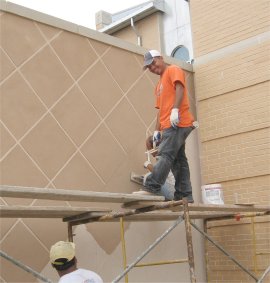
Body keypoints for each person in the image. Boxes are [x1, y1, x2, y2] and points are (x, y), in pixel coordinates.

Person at [134, 49, 195, 203]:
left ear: (161, 58)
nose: (153, 68)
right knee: (178, 160)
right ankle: (184, 195)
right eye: (150, 68)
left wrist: (175, 110)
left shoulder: (173, 69)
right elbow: (161, 110)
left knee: (165, 154)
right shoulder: (159, 85)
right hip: (169, 124)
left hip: (178, 122)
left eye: (154, 64)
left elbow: (180, 88)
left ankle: (152, 186)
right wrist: (156, 130)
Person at [132, 135, 175, 200]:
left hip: (171, 191)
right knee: (149, 176)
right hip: (174, 191)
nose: (149, 152)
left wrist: (148, 165)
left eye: (149, 149)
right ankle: (153, 192)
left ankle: (150, 192)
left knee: (148, 176)